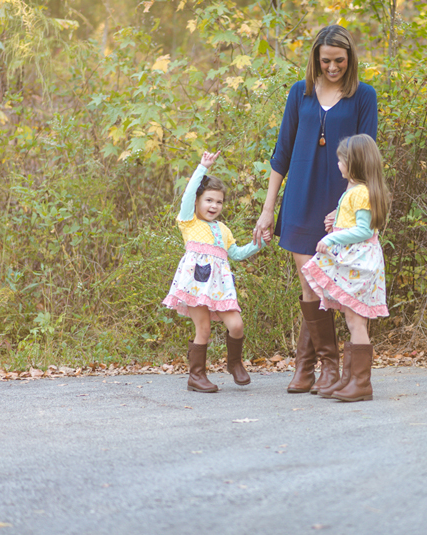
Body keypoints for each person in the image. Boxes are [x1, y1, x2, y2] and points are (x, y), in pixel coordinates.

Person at [252, 25, 378, 395]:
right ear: (315, 59)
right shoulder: (299, 93)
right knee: (310, 283)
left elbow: (366, 158)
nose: (333, 67)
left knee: (335, 287)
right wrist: (268, 208)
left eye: (339, 60)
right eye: (326, 61)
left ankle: (315, 368)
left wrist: (350, 212)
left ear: (349, 59)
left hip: (341, 204)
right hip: (301, 199)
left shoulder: (363, 96)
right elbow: (281, 154)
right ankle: (320, 368)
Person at [163, 150, 270, 393]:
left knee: (237, 325)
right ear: (198, 202)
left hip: (220, 288)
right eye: (209, 200)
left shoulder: (223, 229)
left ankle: (234, 363)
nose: (214, 205)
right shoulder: (189, 221)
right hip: (196, 284)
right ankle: (196, 375)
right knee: (204, 329)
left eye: (219, 201)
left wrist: (260, 242)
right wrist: (203, 167)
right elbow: (188, 195)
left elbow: (237, 254)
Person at [300, 134, 390, 402]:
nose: (338, 163)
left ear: (356, 163)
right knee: (353, 319)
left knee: (355, 319)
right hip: (354, 260)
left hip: (359, 262)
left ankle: (361, 384)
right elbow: (354, 225)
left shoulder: (361, 192)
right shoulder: (354, 191)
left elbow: (363, 230)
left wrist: (331, 237)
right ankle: (351, 380)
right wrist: (336, 225)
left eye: (342, 159)